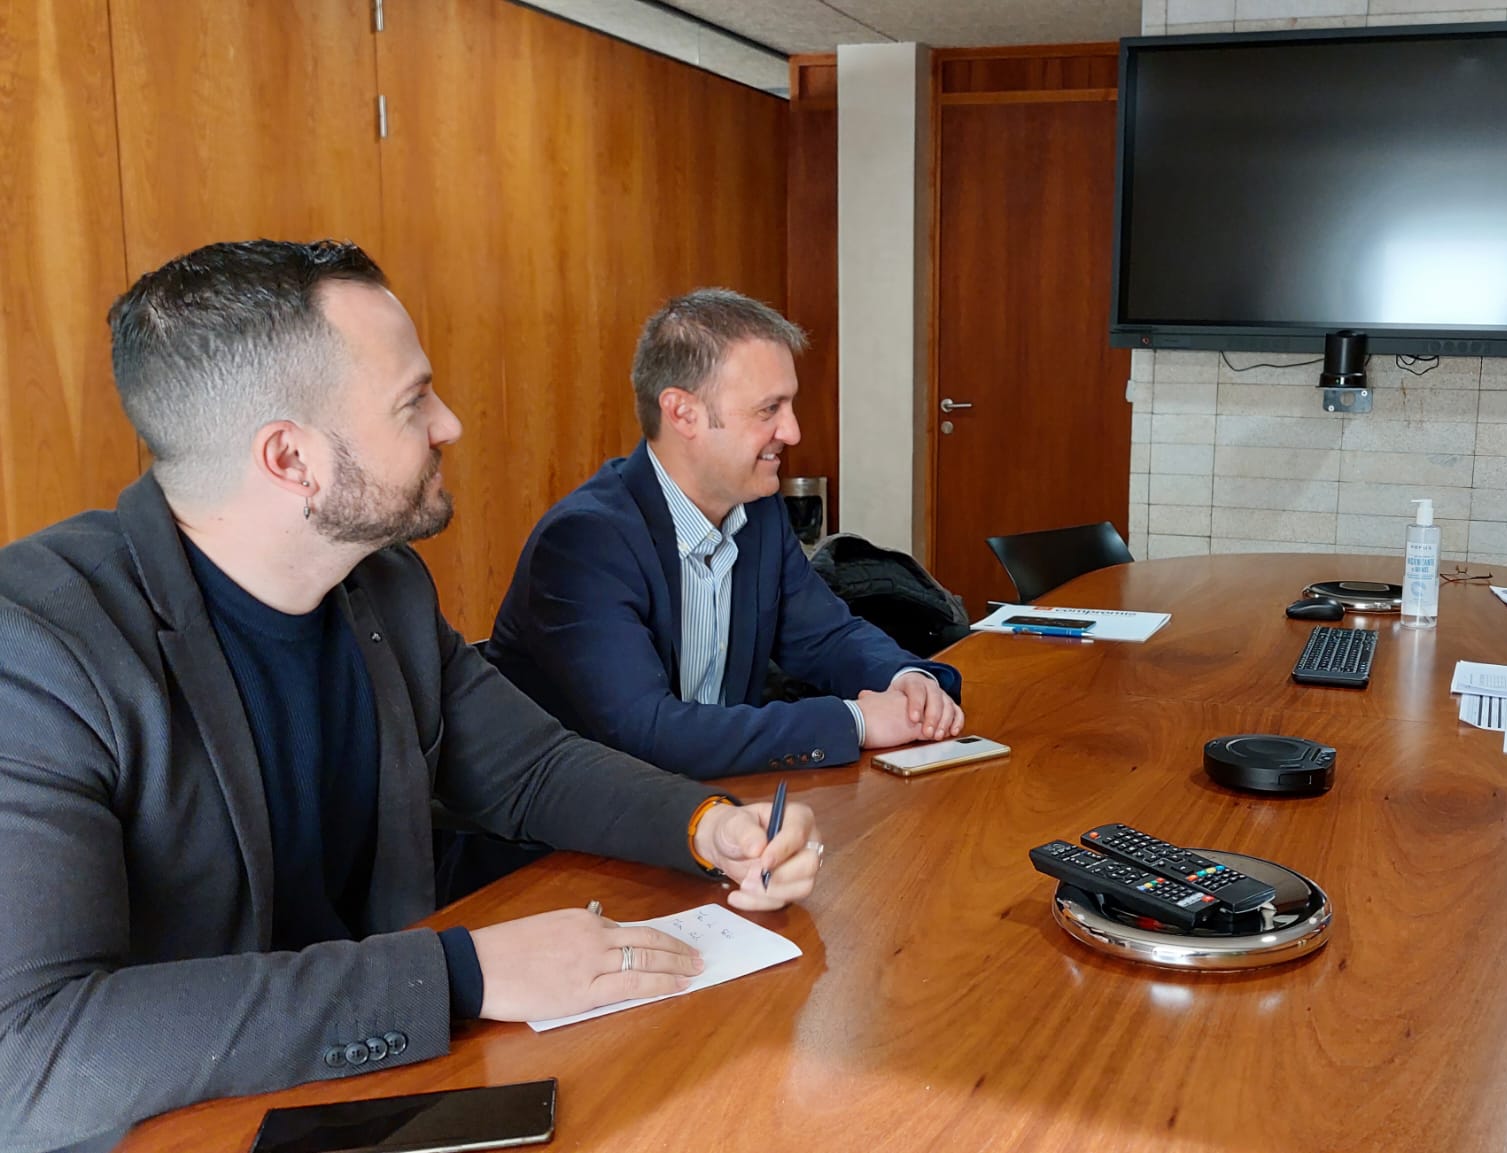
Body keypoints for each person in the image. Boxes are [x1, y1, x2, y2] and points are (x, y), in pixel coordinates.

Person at [0, 241, 822, 1152]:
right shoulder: (37, 647)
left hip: (392, 1091)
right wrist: (458, 973)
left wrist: (710, 825)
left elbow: (533, 769)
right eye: (412, 400)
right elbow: (30, 1052)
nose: (450, 423)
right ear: (291, 458)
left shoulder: (381, 587)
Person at [483, 288, 966, 781]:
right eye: (768, 410)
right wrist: (856, 721)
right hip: (567, 842)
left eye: (790, 405)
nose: (794, 431)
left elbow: (827, 636)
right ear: (683, 413)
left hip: (710, 807)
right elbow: (646, 734)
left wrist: (907, 679)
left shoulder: (758, 513)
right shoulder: (584, 543)